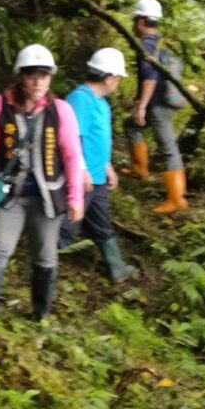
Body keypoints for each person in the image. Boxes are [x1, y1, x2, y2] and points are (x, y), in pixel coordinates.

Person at [0, 44, 85, 320]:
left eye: (44, 76)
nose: (38, 82)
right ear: (20, 77)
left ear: (50, 78)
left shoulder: (60, 111)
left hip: (47, 197)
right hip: (10, 195)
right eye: (32, 75)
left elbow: (71, 155)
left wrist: (75, 198)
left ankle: (41, 315)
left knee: (45, 254)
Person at [58, 47, 136, 282]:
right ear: (108, 77)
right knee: (69, 224)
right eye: (118, 77)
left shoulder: (102, 103)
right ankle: (44, 259)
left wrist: (108, 167)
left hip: (97, 177)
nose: (119, 82)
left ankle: (117, 268)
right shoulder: (81, 99)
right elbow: (72, 138)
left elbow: (99, 140)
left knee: (101, 222)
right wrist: (81, 170)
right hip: (81, 178)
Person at [125, 0, 189, 214]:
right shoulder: (158, 42)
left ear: (142, 21)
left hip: (158, 105)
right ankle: (139, 169)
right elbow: (149, 75)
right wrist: (139, 98)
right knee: (131, 126)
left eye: (135, 20)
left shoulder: (147, 45)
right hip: (160, 100)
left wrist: (142, 105)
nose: (133, 24)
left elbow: (151, 77)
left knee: (168, 148)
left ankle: (177, 199)